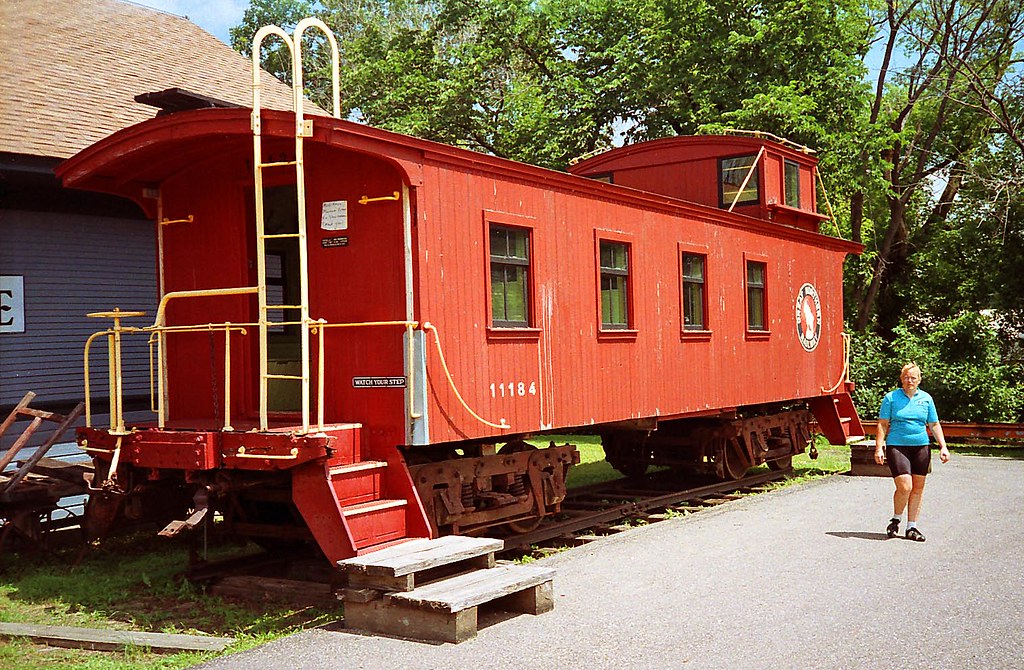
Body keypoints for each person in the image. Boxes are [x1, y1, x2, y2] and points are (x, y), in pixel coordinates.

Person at [873, 362, 950, 542]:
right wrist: (879, 447)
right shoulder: (891, 398)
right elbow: (883, 424)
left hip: (921, 446)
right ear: (901, 379)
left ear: (919, 380)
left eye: (913, 377)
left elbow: (934, 424)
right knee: (905, 486)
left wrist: (943, 446)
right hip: (897, 446)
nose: (910, 381)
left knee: (918, 488)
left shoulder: (926, 399)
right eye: (906, 377)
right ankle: (896, 519)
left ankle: (911, 527)